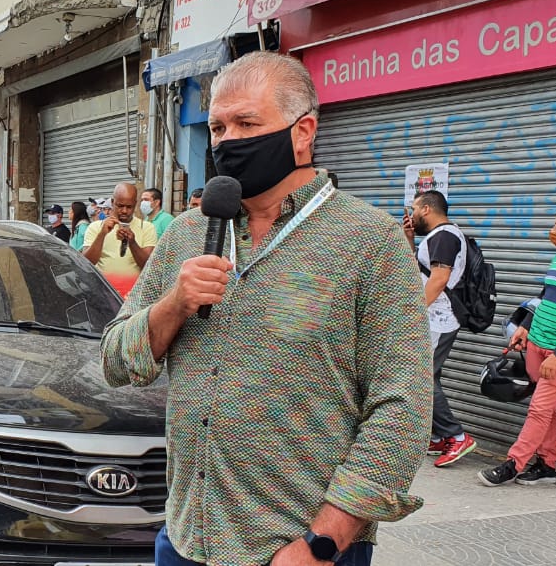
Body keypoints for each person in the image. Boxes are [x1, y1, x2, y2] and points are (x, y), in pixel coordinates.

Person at [100, 51, 431, 566]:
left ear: (303, 132)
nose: (227, 140)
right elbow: (117, 362)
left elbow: (402, 408)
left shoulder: (371, 241)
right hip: (188, 539)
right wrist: (174, 304)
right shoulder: (189, 234)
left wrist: (322, 543)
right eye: (216, 127)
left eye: (246, 123)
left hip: (301, 550)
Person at [482, 201, 556, 488]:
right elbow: (545, 295)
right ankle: (547, 466)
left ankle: (514, 463)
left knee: (539, 409)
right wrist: (525, 326)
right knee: (550, 409)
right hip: (537, 343)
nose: (552, 231)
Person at [402, 189, 477, 467]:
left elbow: (439, 279)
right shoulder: (436, 237)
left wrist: (414, 312)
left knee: (422, 377)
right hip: (434, 317)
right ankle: (440, 436)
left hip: (438, 319)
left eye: (415, 208)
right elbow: (419, 271)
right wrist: (410, 238)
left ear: (427, 209)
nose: (412, 213)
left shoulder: (445, 236)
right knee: (429, 376)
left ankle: (456, 436)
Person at [82, 183, 157, 297]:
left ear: (135, 204)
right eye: (120, 206)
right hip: (103, 297)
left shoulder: (146, 227)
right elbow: (86, 263)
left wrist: (132, 242)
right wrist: (102, 234)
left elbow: (148, 266)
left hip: (133, 299)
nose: (124, 211)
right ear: (112, 202)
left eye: (129, 207)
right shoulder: (96, 227)